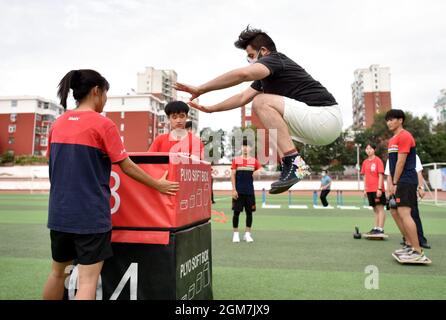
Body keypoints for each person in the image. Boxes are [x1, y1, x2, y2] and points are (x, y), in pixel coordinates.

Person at [43, 70, 179, 300]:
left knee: (58, 274)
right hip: (90, 217)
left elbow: (54, 165)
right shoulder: (103, 124)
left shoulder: (57, 124)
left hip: (59, 215)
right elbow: (127, 166)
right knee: (87, 280)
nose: (105, 100)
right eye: (106, 94)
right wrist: (158, 185)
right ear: (96, 91)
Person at [174, 26, 342, 194]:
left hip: (325, 116)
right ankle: (290, 166)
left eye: (252, 57)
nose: (251, 62)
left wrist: (201, 89)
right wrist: (211, 109)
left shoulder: (275, 59)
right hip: (319, 129)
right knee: (270, 120)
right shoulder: (264, 80)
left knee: (261, 102)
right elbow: (241, 98)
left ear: (264, 51)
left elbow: (243, 75)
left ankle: (294, 162)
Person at [385, 109, 430, 263]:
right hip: (398, 180)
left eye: (392, 119)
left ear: (400, 120)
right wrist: (391, 183)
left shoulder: (405, 136)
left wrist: (396, 182)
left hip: (406, 180)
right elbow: (391, 164)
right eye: (387, 120)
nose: (389, 122)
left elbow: (401, 162)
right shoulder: (392, 140)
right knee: (394, 210)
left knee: (405, 213)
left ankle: (418, 250)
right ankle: (409, 244)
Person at [385, 154, 431, 249]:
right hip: (396, 189)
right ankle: (407, 239)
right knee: (398, 214)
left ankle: (420, 240)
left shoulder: (414, 156)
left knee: (413, 214)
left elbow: (418, 172)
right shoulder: (391, 157)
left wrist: (420, 187)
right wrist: (388, 190)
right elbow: (389, 175)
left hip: (409, 186)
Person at [231, 139, 262, 243]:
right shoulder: (236, 160)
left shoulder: (254, 161)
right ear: (241, 148)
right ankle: (235, 234)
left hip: (249, 192)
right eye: (243, 146)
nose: (245, 148)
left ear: (251, 148)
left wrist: (258, 172)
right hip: (238, 192)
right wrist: (234, 189)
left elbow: (261, 170)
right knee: (236, 213)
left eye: (247, 146)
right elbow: (232, 175)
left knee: (249, 213)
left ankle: (247, 234)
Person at [361, 143, 386, 235]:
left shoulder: (378, 161)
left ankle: (380, 229)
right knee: (375, 209)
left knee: (380, 208)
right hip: (369, 189)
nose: (368, 150)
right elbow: (365, 176)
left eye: (370, 148)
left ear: (374, 150)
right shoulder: (365, 162)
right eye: (367, 149)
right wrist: (365, 189)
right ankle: (375, 228)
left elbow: (380, 175)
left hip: (377, 189)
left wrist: (379, 188)